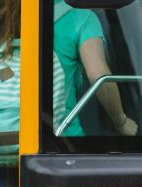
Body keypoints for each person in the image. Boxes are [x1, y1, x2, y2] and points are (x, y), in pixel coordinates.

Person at [53, 0, 137, 136]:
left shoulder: (14, 12)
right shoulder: (81, 17)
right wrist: (121, 122)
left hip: (10, 137)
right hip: (60, 137)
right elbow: (99, 77)